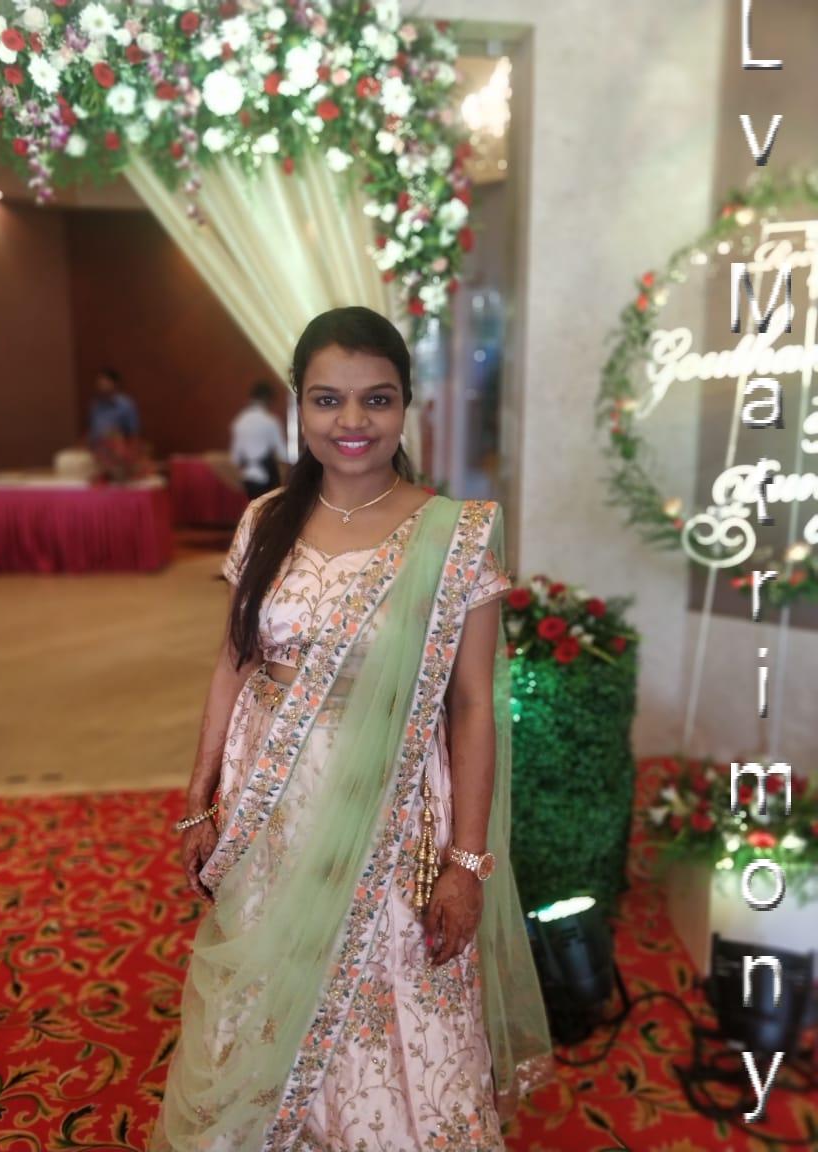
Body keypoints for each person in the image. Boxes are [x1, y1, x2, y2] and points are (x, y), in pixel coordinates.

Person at [150, 307, 551, 1152]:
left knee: (387, 985)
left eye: (377, 398)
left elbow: (472, 705)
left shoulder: (454, 534)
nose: (352, 421)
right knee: (269, 981)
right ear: (298, 404)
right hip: (271, 804)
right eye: (328, 399)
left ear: (407, 405)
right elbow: (235, 659)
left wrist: (467, 861)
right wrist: (200, 798)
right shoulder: (266, 520)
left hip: (389, 806)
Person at [230, 380, 289, 500]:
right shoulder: (270, 421)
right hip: (267, 479)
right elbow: (282, 454)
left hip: (246, 479)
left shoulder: (239, 421)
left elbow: (234, 458)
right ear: (268, 400)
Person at [88, 368, 140, 444]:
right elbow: (92, 431)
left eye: (105, 381)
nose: (100, 384)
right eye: (99, 381)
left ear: (115, 383)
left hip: (117, 447)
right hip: (96, 447)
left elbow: (134, 433)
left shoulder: (126, 405)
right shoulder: (95, 404)